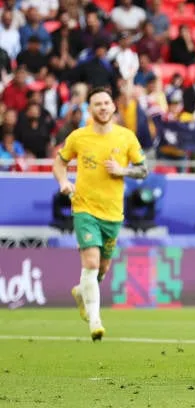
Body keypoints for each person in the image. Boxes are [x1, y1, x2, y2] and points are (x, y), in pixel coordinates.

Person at [52, 87, 148, 341]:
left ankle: (81, 292)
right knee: (92, 263)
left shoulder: (126, 137)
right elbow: (59, 162)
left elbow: (143, 169)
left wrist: (122, 170)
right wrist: (64, 182)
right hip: (84, 207)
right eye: (97, 104)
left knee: (102, 268)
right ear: (90, 109)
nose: (103, 107)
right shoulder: (79, 137)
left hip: (113, 213)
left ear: (113, 106)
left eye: (106, 103)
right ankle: (95, 321)